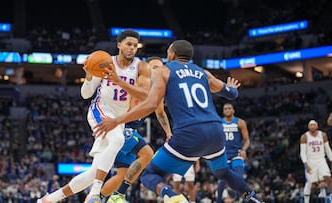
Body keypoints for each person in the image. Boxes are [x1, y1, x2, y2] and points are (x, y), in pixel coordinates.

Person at [93, 39, 263, 203]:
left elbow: (151, 104)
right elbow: (231, 94)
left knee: (149, 175)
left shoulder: (164, 71)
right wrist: (232, 89)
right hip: (216, 131)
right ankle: (252, 196)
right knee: (223, 172)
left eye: (168, 52)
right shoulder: (203, 72)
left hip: (189, 133)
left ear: (172, 54)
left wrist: (116, 121)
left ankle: (173, 197)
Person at [37, 29, 151, 203]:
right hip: (100, 111)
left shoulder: (141, 67)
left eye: (135, 46)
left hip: (118, 119)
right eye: (129, 44)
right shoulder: (105, 62)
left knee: (93, 172)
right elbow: (85, 94)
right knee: (118, 141)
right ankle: (95, 194)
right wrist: (89, 77)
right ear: (119, 45)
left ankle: (49, 200)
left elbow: (145, 95)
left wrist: (119, 81)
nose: (132, 48)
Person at [84, 57, 173, 203]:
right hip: (122, 126)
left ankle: (97, 199)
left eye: (160, 67)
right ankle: (117, 195)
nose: (158, 70)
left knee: (121, 175)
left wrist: (169, 133)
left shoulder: (156, 89)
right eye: (154, 67)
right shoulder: (141, 83)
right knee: (147, 153)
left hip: (129, 128)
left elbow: (160, 113)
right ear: (146, 68)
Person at [216, 103, 250, 203]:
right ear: (223, 111)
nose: (227, 110)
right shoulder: (219, 123)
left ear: (233, 110)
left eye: (229, 108)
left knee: (239, 180)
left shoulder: (240, 122)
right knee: (221, 182)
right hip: (224, 156)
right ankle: (218, 201)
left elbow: (247, 140)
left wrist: (244, 149)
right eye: (225, 108)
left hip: (237, 154)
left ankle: (241, 199)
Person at [300, 120, 332, 203]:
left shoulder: (323, 135)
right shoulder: (304, 137)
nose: (312, 126)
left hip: (321, 159)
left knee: (328, 178)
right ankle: (306, 201)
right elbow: (302, 152)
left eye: (314, 125)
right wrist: (306, 164)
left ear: (317, 126)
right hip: (310, 160)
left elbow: (328, 149)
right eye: (311, 125)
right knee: (309, 182)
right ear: (308, 127)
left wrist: (331, 160)